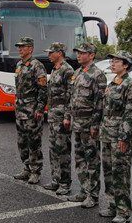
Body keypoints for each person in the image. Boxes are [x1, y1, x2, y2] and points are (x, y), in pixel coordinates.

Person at [98, 50, 132, 223]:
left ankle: (123, 210)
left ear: (126, 65)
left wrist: (124, 137)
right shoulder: (113, 82)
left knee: (120, 173)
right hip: (107, 134)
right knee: (108, 171)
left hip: (119, 136)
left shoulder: (130, 85)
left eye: (117, 61)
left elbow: (130, 114)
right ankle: (112, 204)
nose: (113, 63)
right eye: (112, 61)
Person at [63, 42, 107, 208]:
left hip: (89, 124)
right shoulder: (77, 73)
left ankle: (93, 194)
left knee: (92, 160)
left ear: (92, 55)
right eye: (78, 53)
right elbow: (70, 97)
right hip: (77, 123)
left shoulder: (98, 75)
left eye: (83, 53)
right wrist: (67, 116)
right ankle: (83, 189)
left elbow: (99, 103)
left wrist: (95, 125)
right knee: (80, 158)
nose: (79, 55)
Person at [12, 37, 48, 184]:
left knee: (34, 141)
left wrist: (40, 108)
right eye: (19, 47)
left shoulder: (37, 66)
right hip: (20, 108)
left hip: (32, 110)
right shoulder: (19, 64)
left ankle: (35, 171)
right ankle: (26, 168)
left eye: (23, 47)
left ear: (30, 49)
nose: (20, 49)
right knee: (22, 141)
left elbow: (43, 89)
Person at [42, 42, 74, 195]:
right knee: (53, 149)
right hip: (53, 114)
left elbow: (70, 96)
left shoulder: (67, 70)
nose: (48, 55)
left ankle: (65, 182)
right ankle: (56, 179)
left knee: (63, 150)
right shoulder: (55, 69)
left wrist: (67, 116)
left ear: (60, 53)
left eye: (51, 52)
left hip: (61, 115)